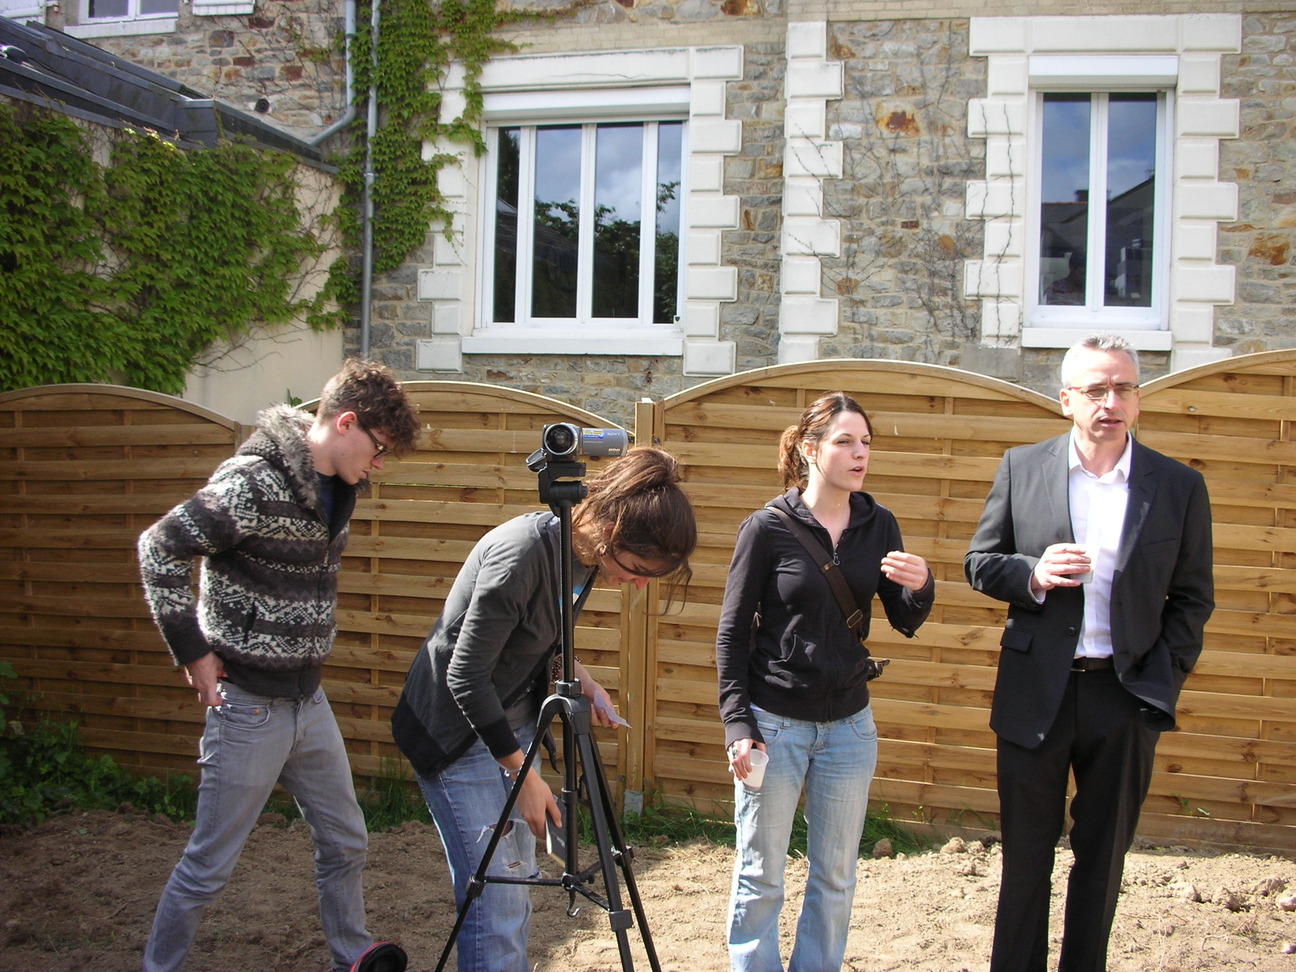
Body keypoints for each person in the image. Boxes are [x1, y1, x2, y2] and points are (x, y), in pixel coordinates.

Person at [136, 359, 422, 972]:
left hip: (307, 703)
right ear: (346, 423)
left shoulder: (338, 488)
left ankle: (352, 951)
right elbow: (159, 547)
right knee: (208, 866)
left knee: (346, 839)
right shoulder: (252, 484)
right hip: (248, 709)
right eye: (378, 450)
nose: (378, 465)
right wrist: (192, 650)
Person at [390, 446, 697, 972]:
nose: (640, 584)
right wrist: (524, 777)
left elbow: (539, 634)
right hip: (458, 734)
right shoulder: (521, 554)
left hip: (510, 724)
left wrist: (582, 677)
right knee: (498, 897)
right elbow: (464, 675)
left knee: (516, 881)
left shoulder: (581, 556)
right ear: (608, 528)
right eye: (639, 568)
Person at [964, 333, 1214, 972]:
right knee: (1026, 857)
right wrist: (1033, 575)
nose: (1112, 401)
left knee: (1102, 862)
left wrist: (1159, 683)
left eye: (1124, 388)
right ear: (1066, 399)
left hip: (1123, 697)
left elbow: (1192, 600)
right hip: (1035, 694)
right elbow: (979, 564)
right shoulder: (1024, 467)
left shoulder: (1178, 487)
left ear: (1137, 399)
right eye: (1096, 390)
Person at [715, 392, 935, 972]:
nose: (860, 453)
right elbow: (732, 634)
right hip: (774, 725)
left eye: (865, 442)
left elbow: (905, 618)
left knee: (835, 876)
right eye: (845, 441)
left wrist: (922, 584)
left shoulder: (878, 522)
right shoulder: (766, 528)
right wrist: (738, 724)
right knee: (761, 871)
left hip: (849, 729)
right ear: (811, 450)